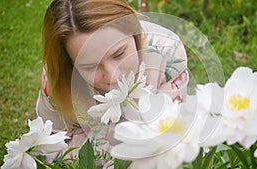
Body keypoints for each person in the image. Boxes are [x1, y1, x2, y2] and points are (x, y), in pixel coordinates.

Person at [36, 0, 189, 166]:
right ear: (70, 64)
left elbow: (169, 135)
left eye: (119, 54)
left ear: (134, 33)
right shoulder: (57, 80)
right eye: (91, 66)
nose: (112, 75)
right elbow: (48, 145)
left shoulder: (168, 53)